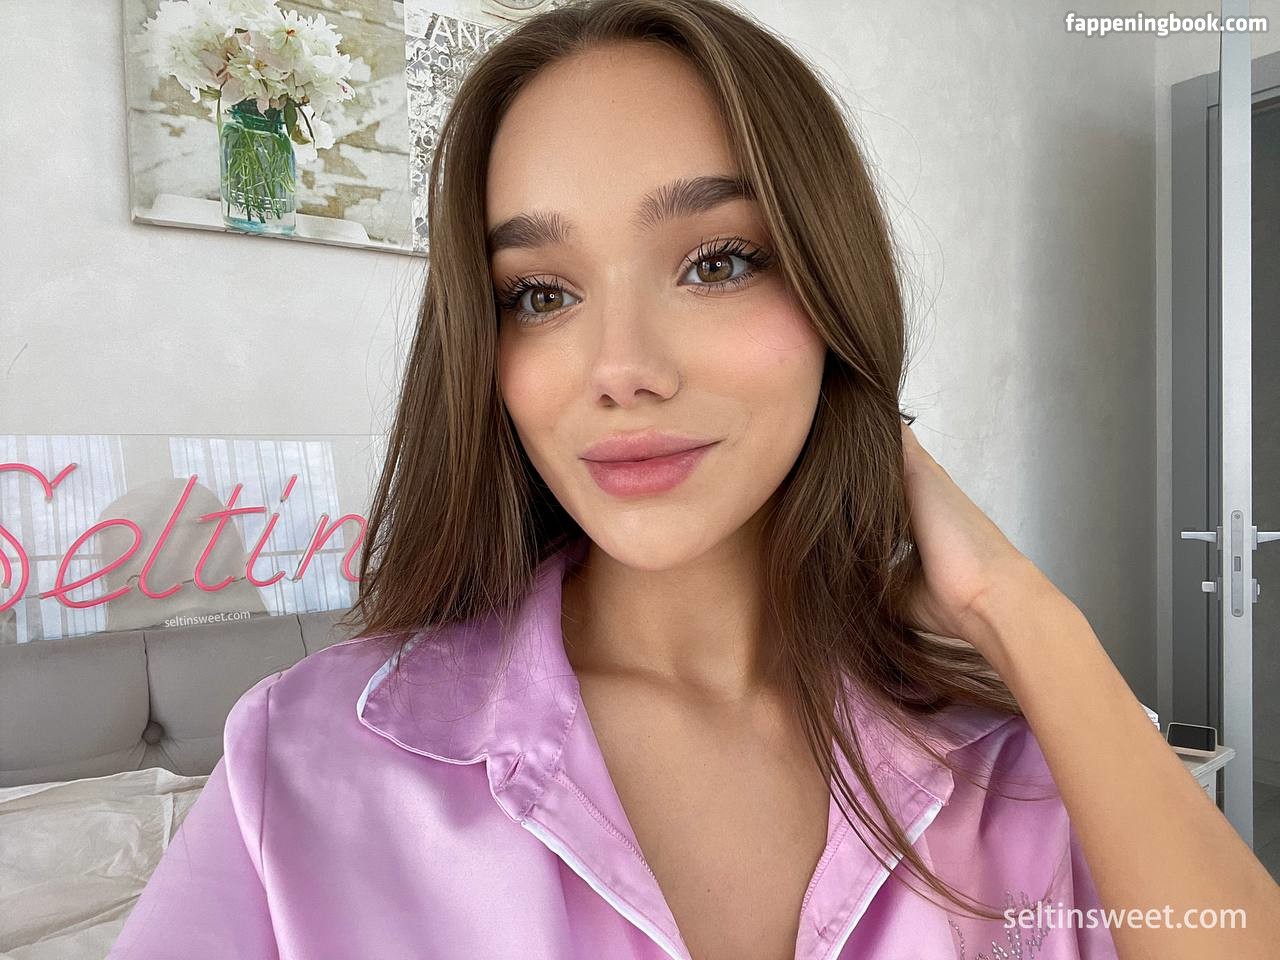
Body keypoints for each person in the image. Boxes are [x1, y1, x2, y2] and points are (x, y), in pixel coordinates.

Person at [107, 1, 1280, 958]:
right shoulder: (305, 767)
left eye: (716, 262)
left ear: (829, 295)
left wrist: (1026, 614)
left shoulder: (1017, 745)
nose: (620, 368)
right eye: (539, 293)